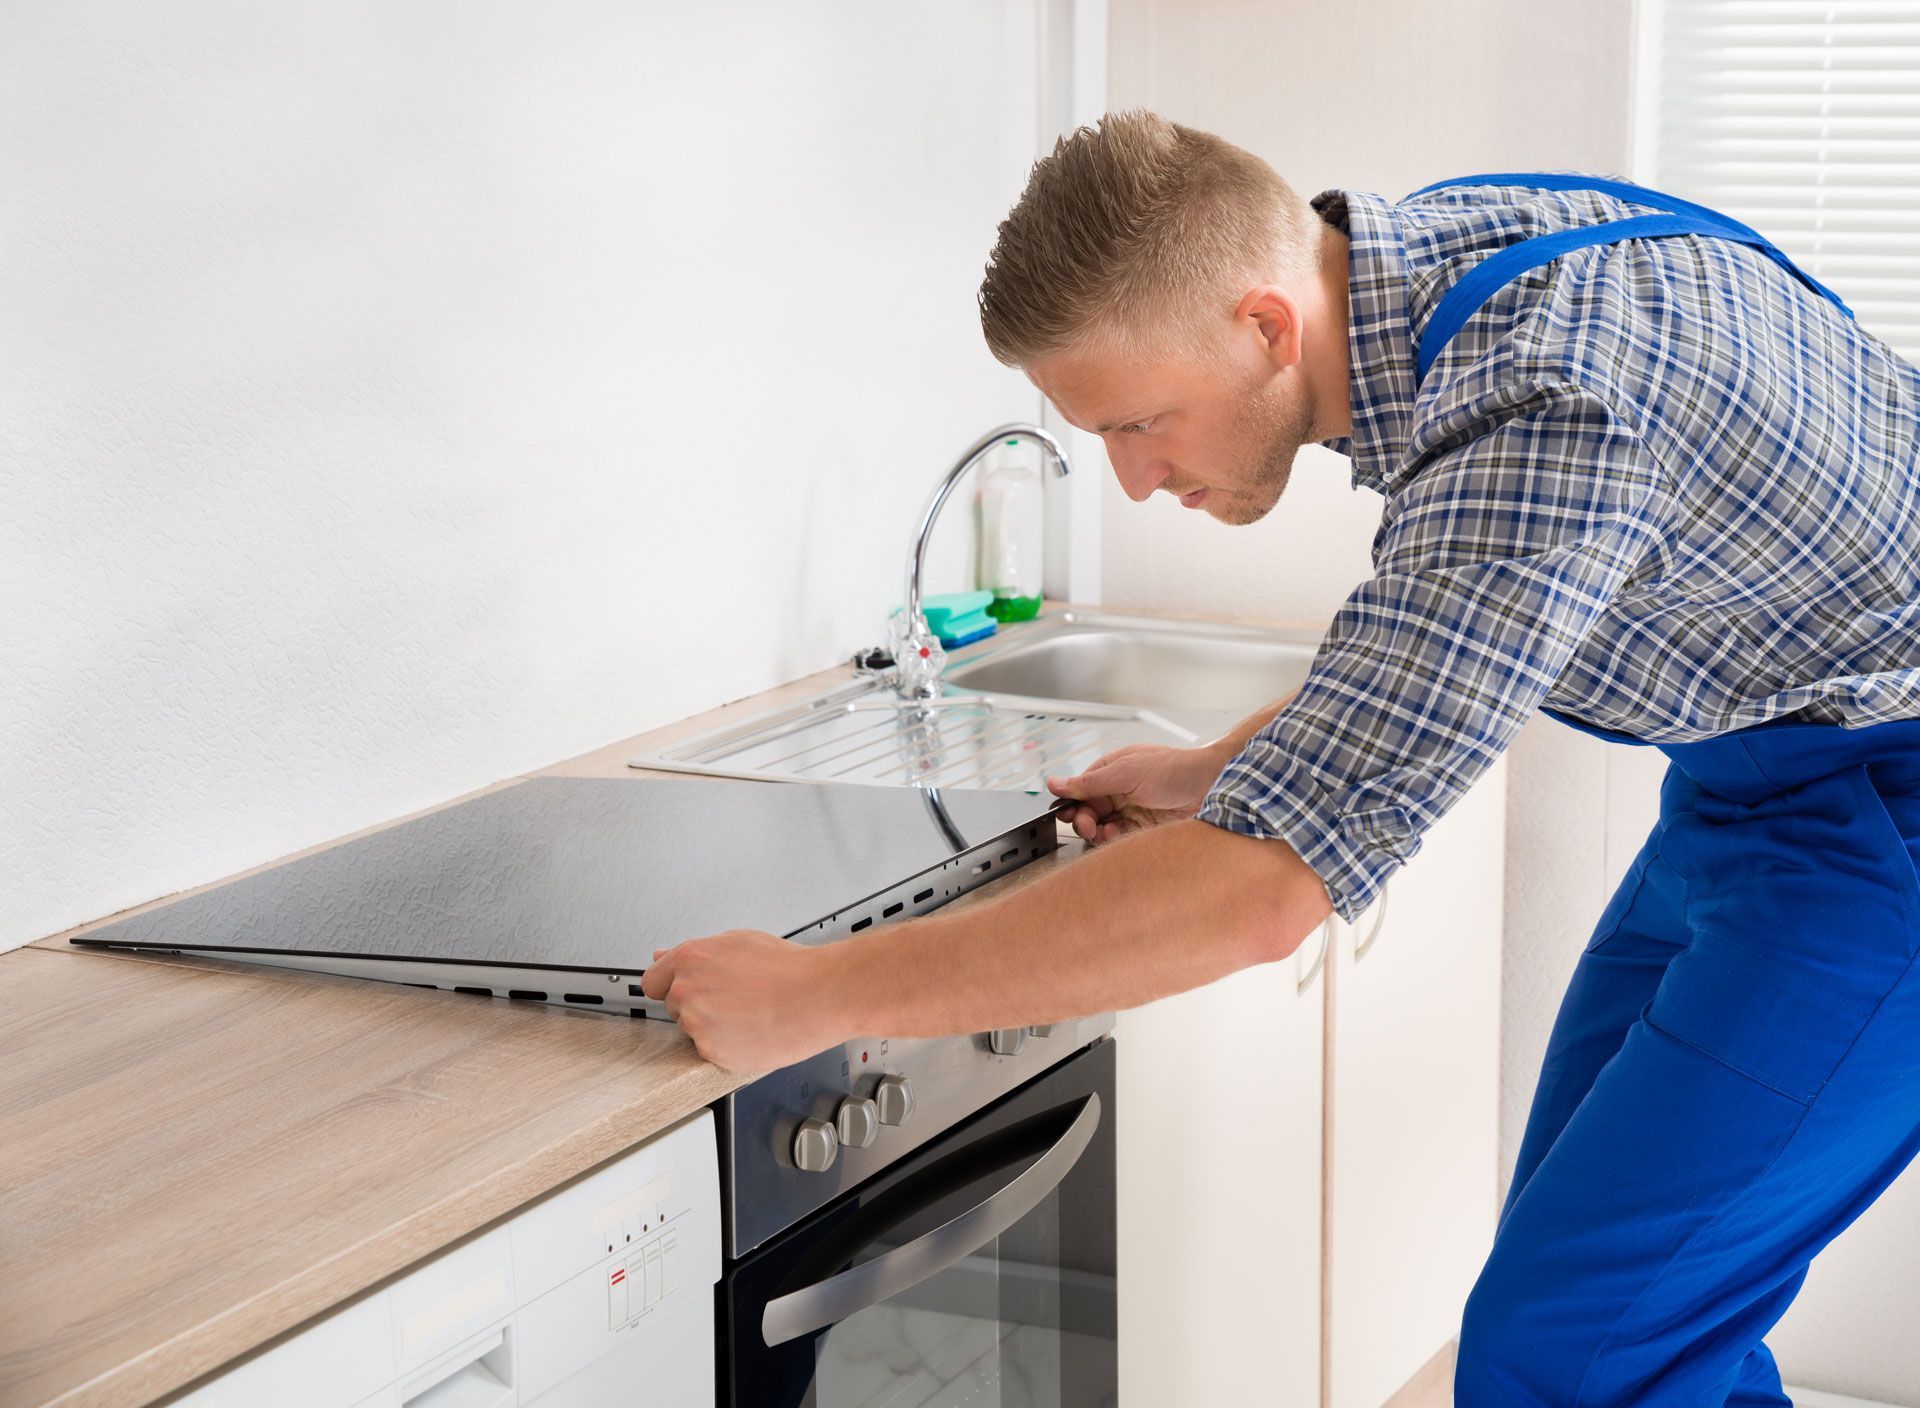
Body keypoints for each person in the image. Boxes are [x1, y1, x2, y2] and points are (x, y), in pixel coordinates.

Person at [642, 110, 1920, 1404]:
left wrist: (820, 997)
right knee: (1652, 1310)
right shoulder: (1438, 255)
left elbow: (1264, 895)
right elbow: (1460, 626)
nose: (1134, 481)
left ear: (1264, 325)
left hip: (1886, 827)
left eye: (1142, 424)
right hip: (1756, 784)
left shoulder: (1541, 405)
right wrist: (1219, 768)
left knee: (1574, 1348)